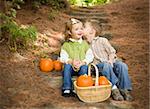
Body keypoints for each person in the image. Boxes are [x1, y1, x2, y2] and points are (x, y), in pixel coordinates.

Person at [83, 19, 133, 101]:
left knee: (122, 65)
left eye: (84, 27)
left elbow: (112, 51)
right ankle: (114, 88)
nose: (82, 28)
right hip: (98, 66)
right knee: (105, 65)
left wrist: (110, 60)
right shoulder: (84, 44)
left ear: (92, 31)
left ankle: (124, 89)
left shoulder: (103, 40)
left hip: (110, 62)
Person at [59, 18, 94, 97]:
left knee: (84, 68)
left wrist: (84, 62)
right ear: (69, 32)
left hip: (81, 65)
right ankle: (67, 88)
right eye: (76, 29)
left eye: (81, 29)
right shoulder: (66, 45)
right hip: (71, 66)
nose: (80, 31)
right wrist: (70, 61)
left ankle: (82, 87)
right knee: (66, 67)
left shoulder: (85, 44)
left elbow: (90, 55)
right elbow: (62, 57)